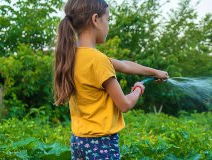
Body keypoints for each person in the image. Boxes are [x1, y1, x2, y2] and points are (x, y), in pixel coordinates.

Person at [53, 0, 169, 159]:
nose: (108, 25)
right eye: (107, 19)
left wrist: (156, 72)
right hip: (101, 142)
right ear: (95, 20)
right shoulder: (98, 60)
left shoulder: (72, 56)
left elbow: (125, 65)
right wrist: (138, 89)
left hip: (78, 140)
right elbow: (124, 104)